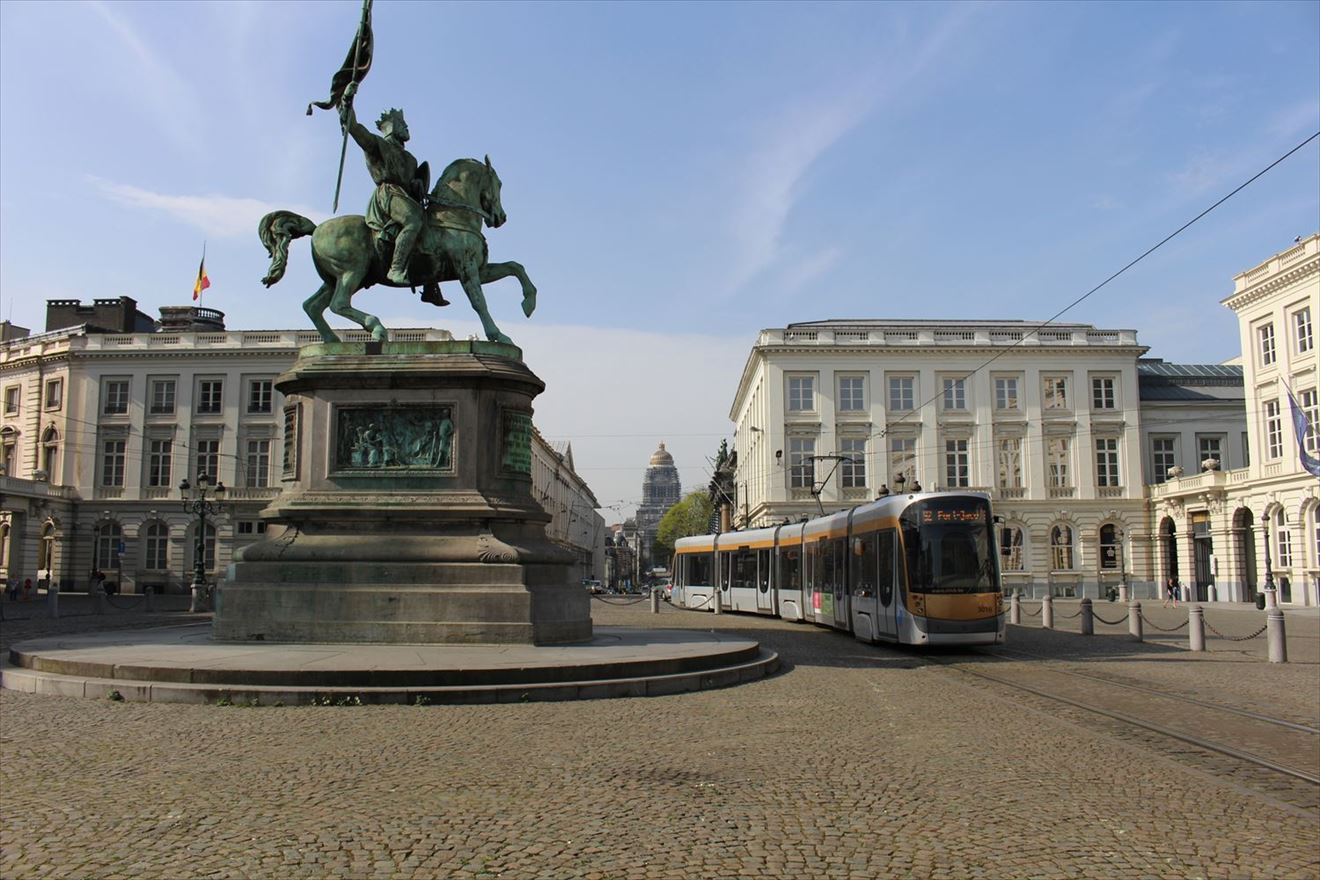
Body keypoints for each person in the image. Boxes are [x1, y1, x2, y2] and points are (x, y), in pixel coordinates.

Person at [340, 81, 431, 289]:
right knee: (413, 222)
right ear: (394, 127)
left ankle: (430, 284)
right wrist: (347, 101)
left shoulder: (411, 159)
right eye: (404, 125)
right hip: (388, 194)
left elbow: (413, 182)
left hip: (406, 197)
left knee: (432, 227)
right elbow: (354, 128)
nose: (407, 128)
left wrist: (417, 183)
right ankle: (395, 268)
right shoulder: (378, 144)